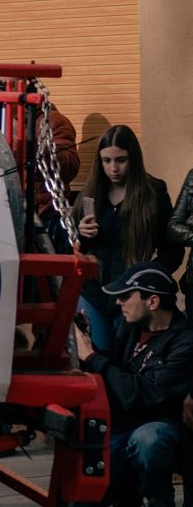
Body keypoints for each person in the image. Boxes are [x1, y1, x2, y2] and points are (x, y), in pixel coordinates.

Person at [77, 264, 193, 507]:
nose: (118, 302)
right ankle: (128, 488)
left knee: (149, 438)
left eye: (126, 296)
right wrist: (87, 343)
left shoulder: (185, 341)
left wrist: (93, 357)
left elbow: (143, 394)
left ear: (152, 301)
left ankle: (159, 495)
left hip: (161, 428)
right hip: (122, 427)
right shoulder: (130, 328)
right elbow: (117, 374)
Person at [74, 125, 178, 352]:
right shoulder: (90, 194)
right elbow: (70, 251)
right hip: (93, 294)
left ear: (134, 158)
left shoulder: (153, 193)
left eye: (121, 160)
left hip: (132, 297)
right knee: (94, 359)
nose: (113, 168)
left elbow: (172, 251)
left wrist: (144, 281)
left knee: (124, 363)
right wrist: (80, 235)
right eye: (106, 161)